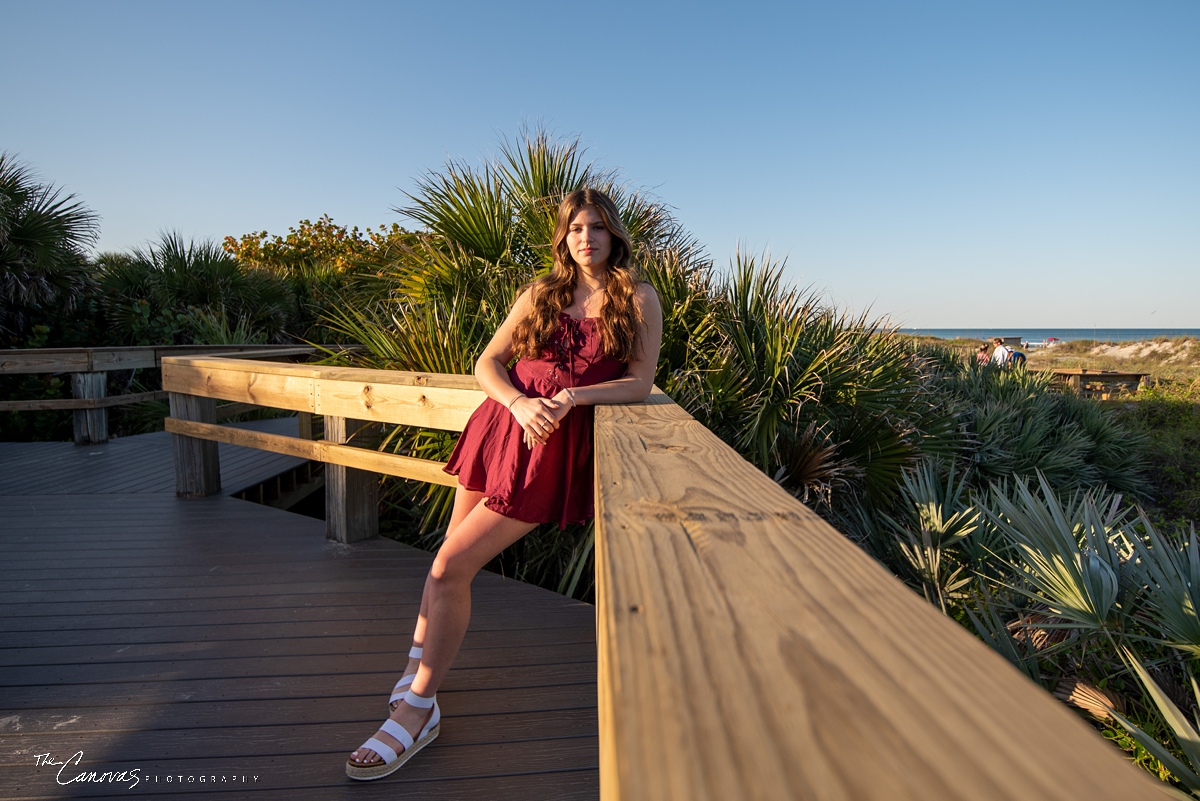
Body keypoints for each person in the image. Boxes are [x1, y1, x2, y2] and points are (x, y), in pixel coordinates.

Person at [346, 188, 663, 781]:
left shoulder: (636, 297)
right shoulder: (540, 294)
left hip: (548, 450)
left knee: (450, 568)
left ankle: (419, 707)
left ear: (613, 234)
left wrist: (571, 396)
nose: (585, 238)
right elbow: (487, 363)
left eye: (596, 227)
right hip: (500, 428)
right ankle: (419, 663)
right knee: (445, 555)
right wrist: (518, 402)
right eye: (574, 228)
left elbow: (640, 382)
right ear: (563, 237)